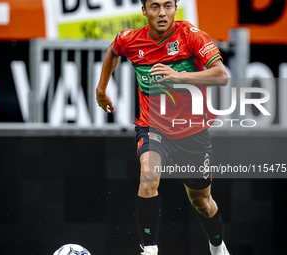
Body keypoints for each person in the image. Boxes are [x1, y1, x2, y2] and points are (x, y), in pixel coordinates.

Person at [96, 0, 229, 254]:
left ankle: (217, 244)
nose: (161, 13)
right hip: (152, 126)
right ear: (144, 11)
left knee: (202, 202)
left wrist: (180, 76)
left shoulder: (191, 36)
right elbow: (113, 50)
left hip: (191, 131)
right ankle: (150, 250)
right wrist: (101, 88)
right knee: (148, 175)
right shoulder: (131, 39)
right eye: (154, 6)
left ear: (176, 9)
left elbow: (221, 76)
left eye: (168, 6)